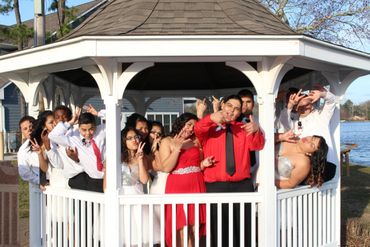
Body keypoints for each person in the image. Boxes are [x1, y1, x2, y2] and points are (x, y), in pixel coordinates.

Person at [194, 94, 265, 247]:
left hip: (242, 186)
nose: (232, 110)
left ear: (240, 113)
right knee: (217, 229)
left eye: (237, 109)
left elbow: (257, 145)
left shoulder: (244, 128)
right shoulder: (209, 128)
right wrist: (211, 117)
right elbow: (197, 129)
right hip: (215, 186)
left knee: (244, 229)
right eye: (229, 106)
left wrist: (257, 130)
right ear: (223, 105)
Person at [159, 113, 213, 247]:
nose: (190, 129)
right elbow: (166, 168)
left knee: (194, 228)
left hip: (196, 185)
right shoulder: (167, 141)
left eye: (193, 126)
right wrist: (177, 149)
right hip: (178, 186)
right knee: (182, 227)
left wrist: (203, 164)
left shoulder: (196, 140)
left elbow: (196, 164)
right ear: (180, 123)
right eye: (188, 124)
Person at [103, 127, 158, 245]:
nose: (134, 140)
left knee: (139, 238)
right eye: (130, 138)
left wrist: (140, 160)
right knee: (120, 237)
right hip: (119, 197)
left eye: (136, 137)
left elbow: (144, 180)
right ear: (124, 141)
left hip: (137, 197)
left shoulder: (142, 157)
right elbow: (106, 186)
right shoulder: (113, 158)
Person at [49, 106, 106, 192]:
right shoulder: (74, 140)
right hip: (93, 180)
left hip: (109, 177)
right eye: (84, 130)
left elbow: (117, 116)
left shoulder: (101, 131)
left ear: (95, 126)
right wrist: (70, 122)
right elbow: (53, 136)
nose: (87, 133)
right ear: (78, 127)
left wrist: (98, 113)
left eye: (91, 129)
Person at [277, 86, 337, 164]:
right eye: (298, 104)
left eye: (306, 103)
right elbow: (284, 121)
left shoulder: (321, 116)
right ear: (295, 108)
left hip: (325, 161)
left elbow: (332, 101)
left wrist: (322, 94)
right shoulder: (295, 123)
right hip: (304, 163)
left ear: (311, 104)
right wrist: (290, 105)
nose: (303, 106)